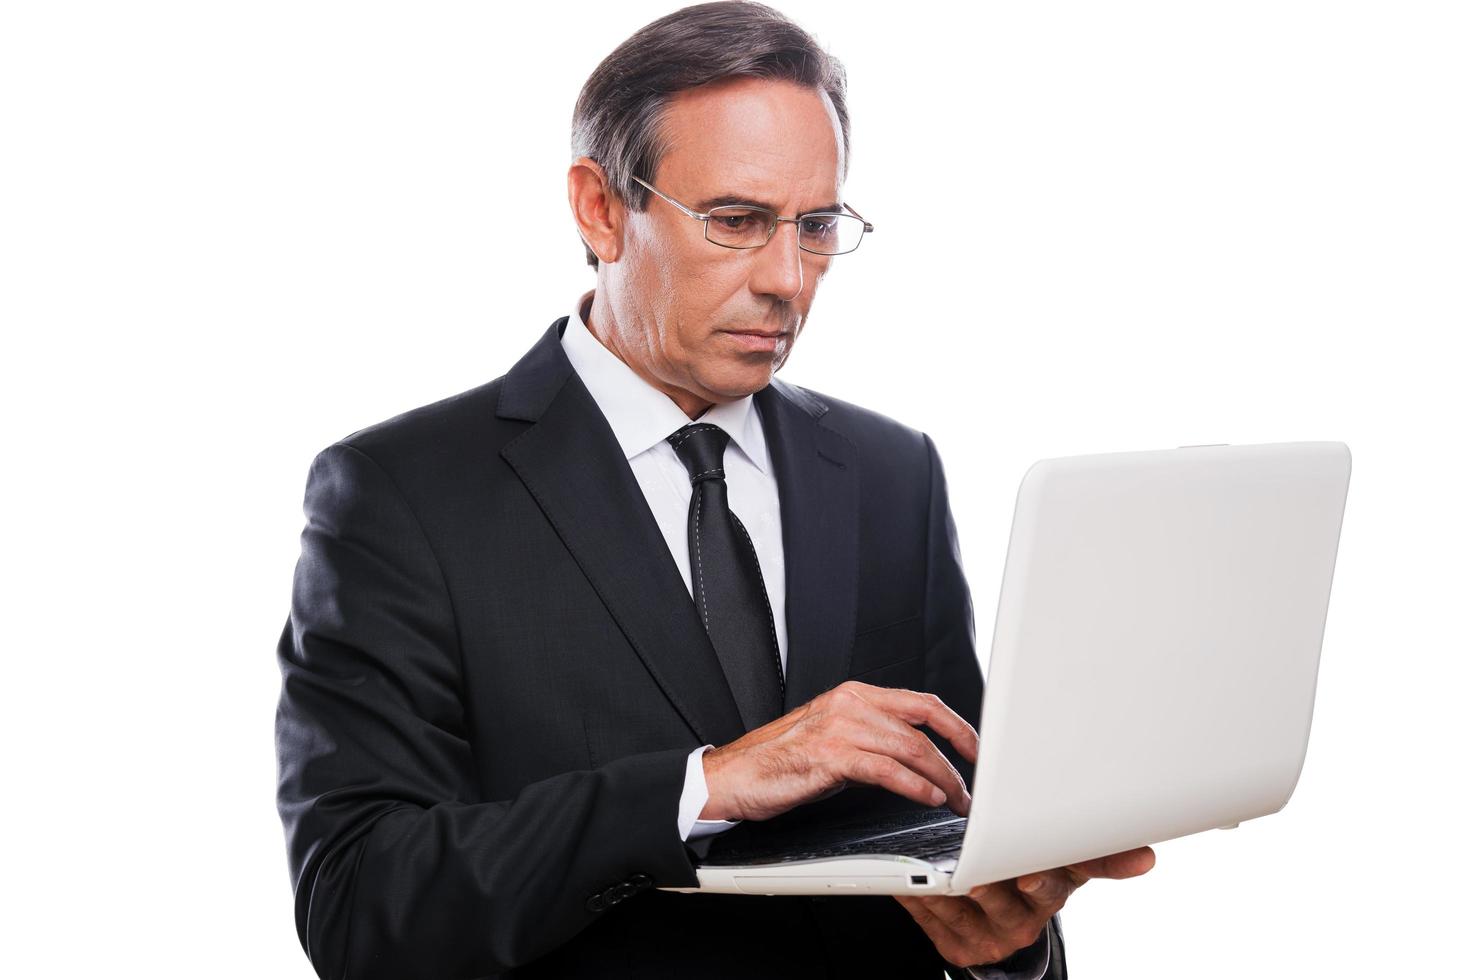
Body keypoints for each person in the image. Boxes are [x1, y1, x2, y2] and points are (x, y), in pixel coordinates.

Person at [274, 3, 1154, 978]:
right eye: (735, 220)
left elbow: (960, 833)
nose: (789, 279)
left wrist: (1008, 945)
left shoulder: (890, 473)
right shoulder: (403, 494)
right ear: (599, 207)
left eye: (815, 224)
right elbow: (359, 902)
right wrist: (708, 784)